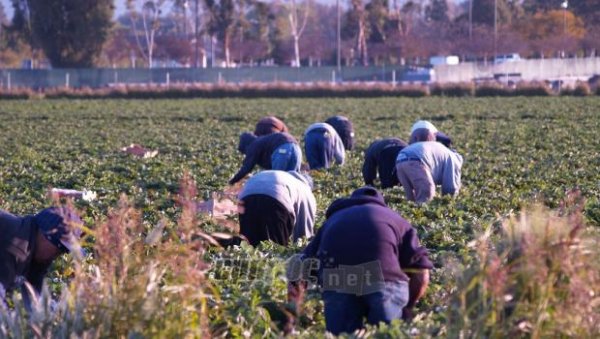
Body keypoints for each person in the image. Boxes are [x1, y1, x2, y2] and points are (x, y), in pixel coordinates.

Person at [288, 187, 432, 335]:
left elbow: (300, 265)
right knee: (387, 334)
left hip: (339, 279)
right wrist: (408, 307)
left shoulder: (332, 221)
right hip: (383, 279)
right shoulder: (395, 219)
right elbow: (421, 270)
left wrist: (292, 314)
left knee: (342, 335)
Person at [0, 206, 83, 304]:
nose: (58, 255)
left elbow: (36, 300)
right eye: (60, 248)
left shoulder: (35, 250)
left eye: (64, 251)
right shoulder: (15, 247)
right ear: (44, 236)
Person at [238, 170, 316, 246]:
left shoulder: (285, 177)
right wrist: (301, 248)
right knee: (275, 247)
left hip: (245, 198)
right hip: (275, 201)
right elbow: (304, 232)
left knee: (249, 243)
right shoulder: (305, 189)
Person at [396, 126, 463, 204]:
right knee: (427, 192)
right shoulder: (453, 158)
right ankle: (420, 214)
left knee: (411, 198)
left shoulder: (443, 152)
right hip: (416, 158)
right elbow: (450, 188)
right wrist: (449, 202)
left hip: (400, 158)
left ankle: (407, 213)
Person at [230, 132, 302, 184]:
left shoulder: (253, 145)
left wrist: (232, 182)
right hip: (296, 148)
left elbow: (247, 168)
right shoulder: (261, 141)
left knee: (277, 181)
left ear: (245, 145)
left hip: (282, 149)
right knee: (293, 181)